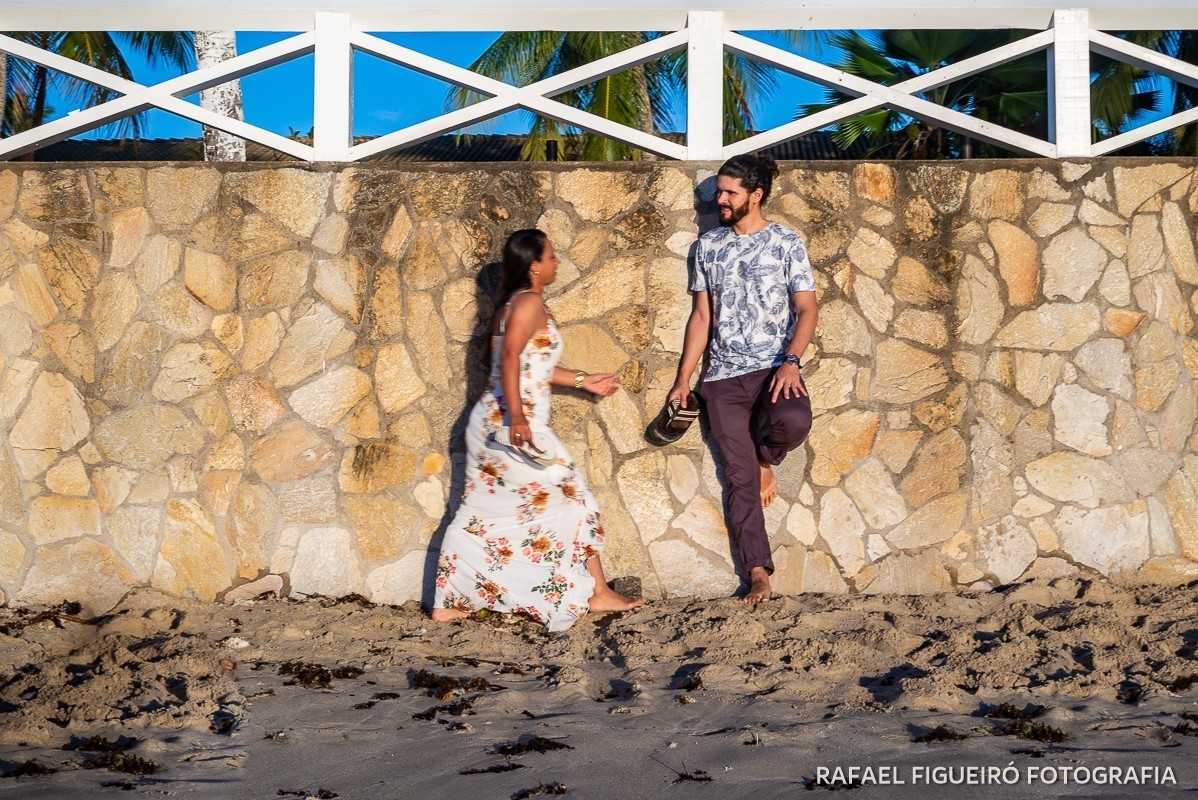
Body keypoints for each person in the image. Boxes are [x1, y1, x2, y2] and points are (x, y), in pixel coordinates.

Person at [432, 229, 643, 631]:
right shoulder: (528, 302)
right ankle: (598, 592)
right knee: (572, 493)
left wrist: (584, 381)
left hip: (500, 419)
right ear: (534, 265)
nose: (557, 262)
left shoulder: (515, 302)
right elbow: (510, 357)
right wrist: (517, 417)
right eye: (551, 256)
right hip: (510, 422)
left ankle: (448, 602)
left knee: (480, 512)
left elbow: (534, 366)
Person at [668, 154, 818, 607]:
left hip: (775, 367)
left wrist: (791, 361)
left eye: (731, 192)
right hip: (722, 378)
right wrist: (683, 379)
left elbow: (807, 309)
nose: (721, 199)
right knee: (740, 480)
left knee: (794, 421)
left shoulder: (787, 242)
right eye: (720, 191)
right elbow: (701, 316)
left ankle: (766, 458)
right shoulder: (709, 246)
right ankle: (758, 572)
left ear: (757, 194)